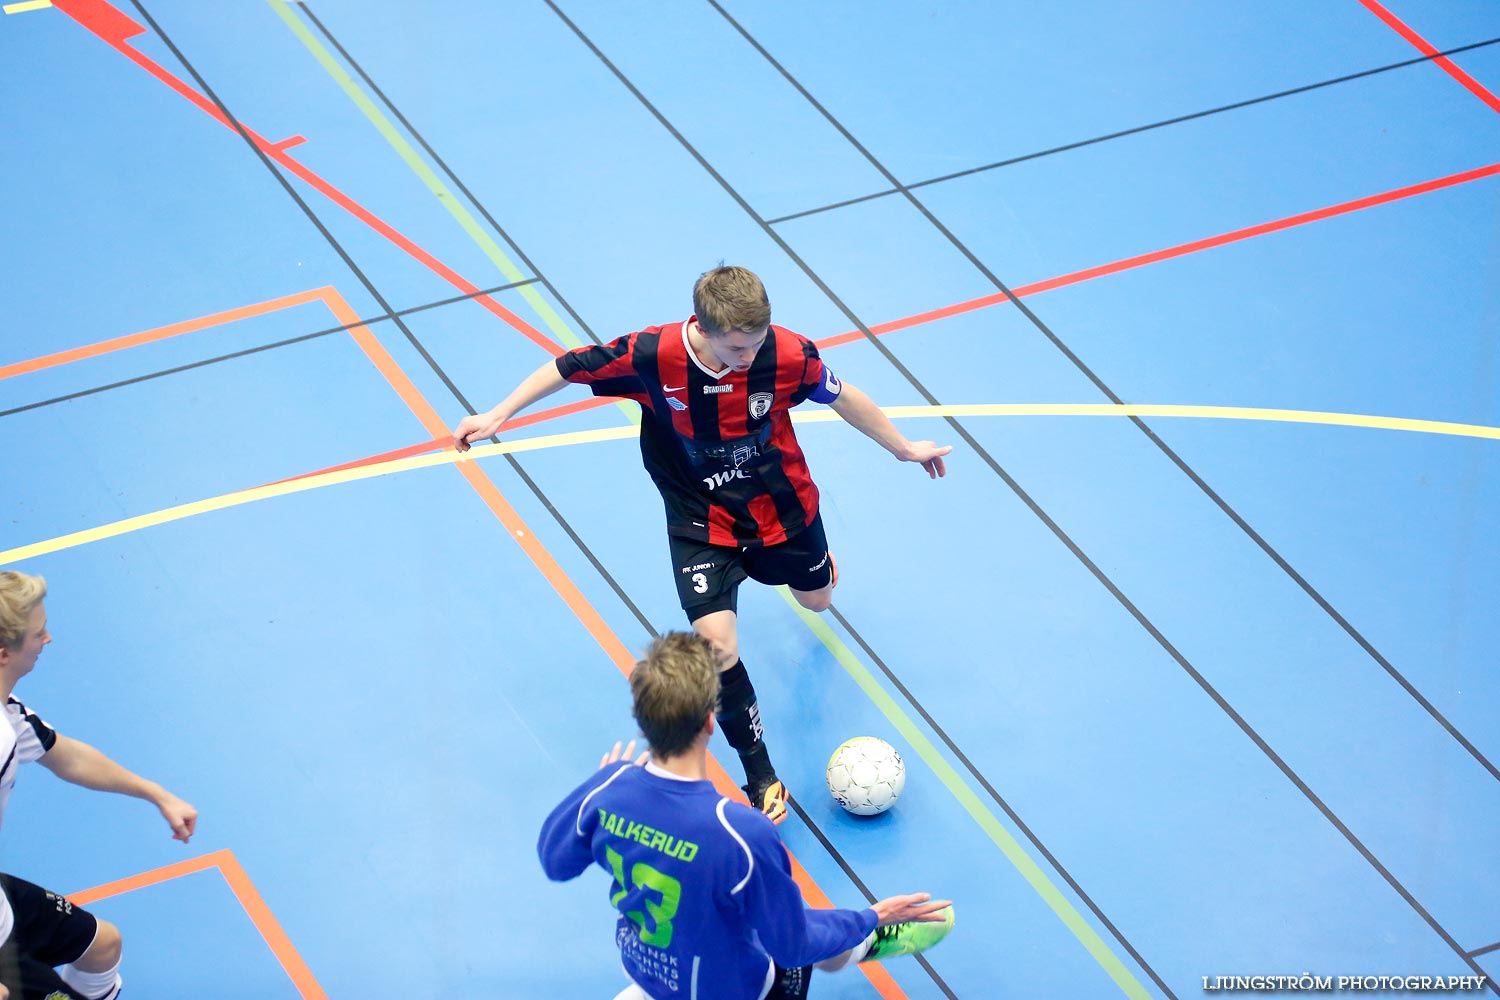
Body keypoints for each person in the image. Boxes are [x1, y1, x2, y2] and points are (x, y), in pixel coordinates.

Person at [455, 265, 951, 822]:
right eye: (738, 347)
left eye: (757, 342)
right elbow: (567, 367)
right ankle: (761, 775)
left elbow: (842, 395)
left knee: (816, 602)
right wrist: (498, 414)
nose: (749, 356)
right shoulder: (651, 356)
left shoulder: (786, 354)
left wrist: (903, 448)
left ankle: (818, 570)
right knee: (717, 647)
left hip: (782, 508)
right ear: (704, 328)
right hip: (699, 520)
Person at [538, 632, 954, 1000]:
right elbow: (793, 944)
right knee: (797, 926)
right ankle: (867, 943)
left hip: (650, 976)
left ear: (643, 722)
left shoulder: (611, 790)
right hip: (740, 991)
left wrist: (598, 784)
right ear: (709, 723)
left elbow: (555, 861)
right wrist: (869, 917)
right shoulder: (742, 835)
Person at [0, 570, 199, 1000]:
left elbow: (66, 756)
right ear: (4, 654)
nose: (48, 639)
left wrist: (157, 794)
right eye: (39, 632)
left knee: (102, 945)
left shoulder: (8, 713)